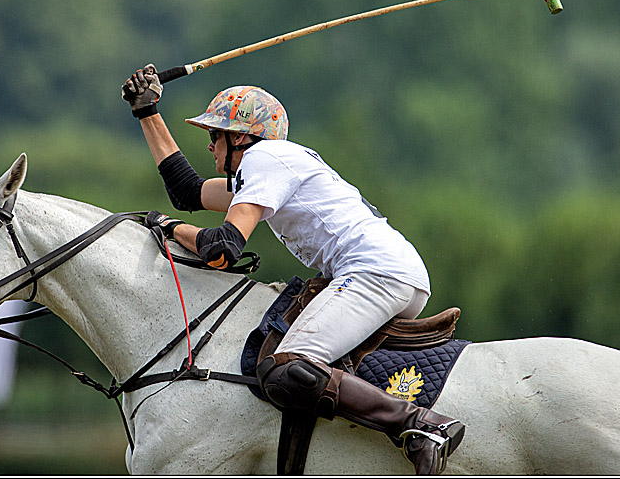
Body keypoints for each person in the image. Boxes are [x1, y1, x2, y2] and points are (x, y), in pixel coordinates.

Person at [122, 64, 466, 474]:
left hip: (376, 274)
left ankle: (423, 426)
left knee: (286, 365)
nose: (210, 145)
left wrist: (168, 229)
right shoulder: (266, 167)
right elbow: (186, 191)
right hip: (389, 274)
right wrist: (147, 112)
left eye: (215, 135)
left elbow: (223, 249)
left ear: (240, 137)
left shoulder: (265, 158)